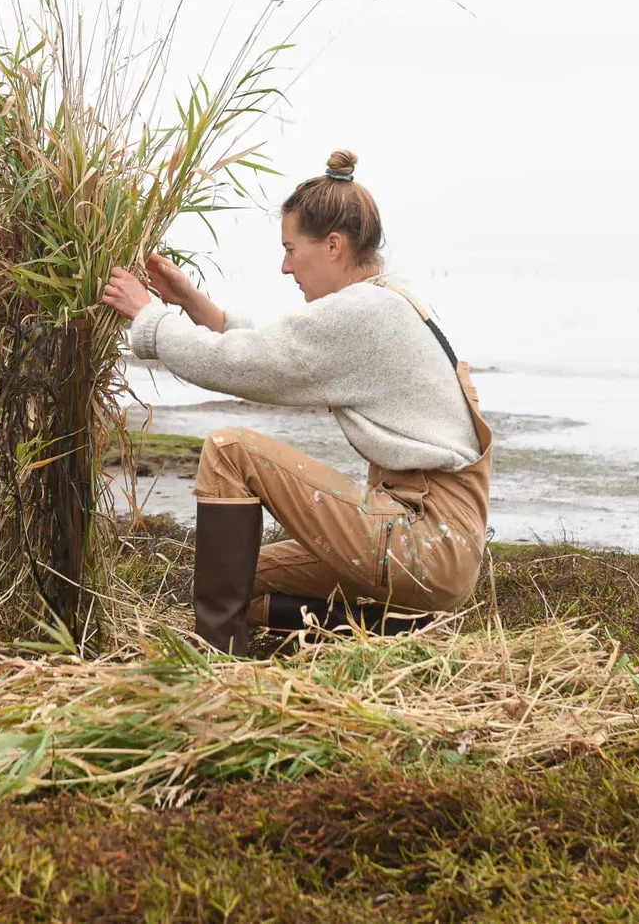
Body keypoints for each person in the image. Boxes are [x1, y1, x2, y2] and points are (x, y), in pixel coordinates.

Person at [102, 149, 492, 656]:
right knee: (247, 577)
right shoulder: (388, 299)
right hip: (438, 544)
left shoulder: (365, 314)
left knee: (230, 448)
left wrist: (148, 318)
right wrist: (193, 305)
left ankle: (217, 660)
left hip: (424, 539)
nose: (285, 267)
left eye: (291, 249)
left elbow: (246, 366)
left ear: (333, 245)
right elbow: (277, 349)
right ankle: (397, 631)